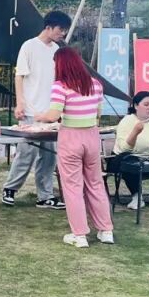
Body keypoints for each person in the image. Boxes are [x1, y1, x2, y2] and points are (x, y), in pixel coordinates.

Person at [35, 47, 113, 247]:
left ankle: (79, 235)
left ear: (60, 64)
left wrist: (39, 116)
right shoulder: (96, 84)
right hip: (92, 136)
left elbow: (53, 115)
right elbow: (98, 113)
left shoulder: (60, 86)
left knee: (72, 187)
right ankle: (106, 231)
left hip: (70, 137)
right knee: (95, 183)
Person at [1, 10, 71, 209]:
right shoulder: (29, 46)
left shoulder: (57, 50)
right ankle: (10, 188)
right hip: (31, 110)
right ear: (48, 27)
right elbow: (19, 76)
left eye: (64, 30)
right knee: (26, 153)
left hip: (50, 113)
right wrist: (20, 103)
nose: (63, 33)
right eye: (60, 29)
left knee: (49, 156)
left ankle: (45, 196)